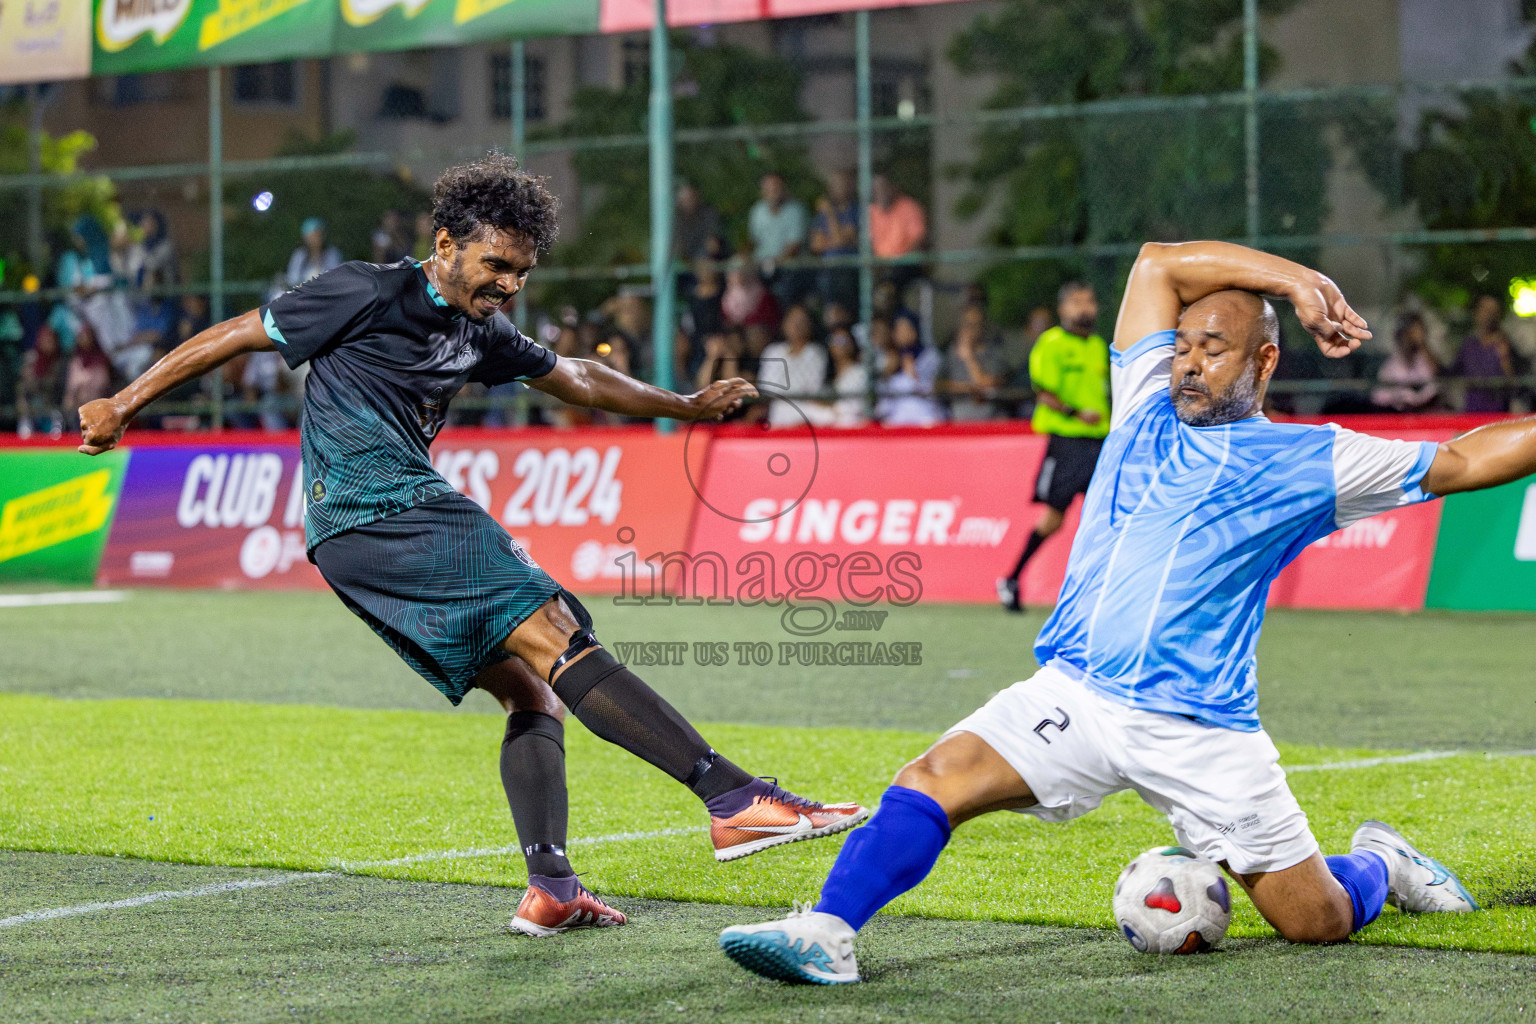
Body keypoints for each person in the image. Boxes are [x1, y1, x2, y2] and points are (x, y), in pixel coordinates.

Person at [77, 155, 867, 938]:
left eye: (522, 271)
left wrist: (686, 408)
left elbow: (581, 379)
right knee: (553, 628)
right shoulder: (367, 290)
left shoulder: (482, 329)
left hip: (355, 539)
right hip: (380, 508)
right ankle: (733, 799)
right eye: (496, 265)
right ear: (446, 241)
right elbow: (234, 334)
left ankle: (552, 888)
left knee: (532, 689)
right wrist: (124, 400)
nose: (509, 285)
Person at [720, 239, 1522, 984]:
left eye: (1215, 349)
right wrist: (1296, 279)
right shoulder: (1142, 402)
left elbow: (1458, 459)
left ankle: (1382, 862)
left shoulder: (1313, 461)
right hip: (1076, 693)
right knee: (935, 778)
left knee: (1315, 921)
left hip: (1202, 730)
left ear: (1266, 359)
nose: (1189, 363)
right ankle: (828, 930)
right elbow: (1155, 265)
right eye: (1184, 345)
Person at [996, 281, 1109, 613]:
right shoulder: (1052, 343)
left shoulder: (1099, 346)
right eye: (1076, 302)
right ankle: (1012, 578)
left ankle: (1097, 593)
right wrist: (1076, 413)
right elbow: (1043, 391)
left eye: (1089, 301)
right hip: (1067, 441)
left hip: (1100, 442)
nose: (1084, 308)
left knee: (1103, 517)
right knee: (1054, 519)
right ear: (1063, 309)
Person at [757, 305, 828, 429]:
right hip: (777, 412)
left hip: (806, 410)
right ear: (784, 324)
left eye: (801, 321)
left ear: (810, 326)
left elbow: (812, 388)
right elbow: (767, 387)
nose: (796, 326)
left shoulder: (816, 353)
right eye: (792, 321)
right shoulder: (773, 351)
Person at [748, 172, 808, 304]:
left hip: (787, 266)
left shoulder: (796, 210)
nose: (773, 192)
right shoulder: (757, 211)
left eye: (777, 188)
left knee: (786, 284)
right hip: (761, 265)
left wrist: (775, 262)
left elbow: (794, 246)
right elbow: (753, 241)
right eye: (769, 188)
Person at [1452, 295, 1515, 413]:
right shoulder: (1468, 344)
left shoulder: (1506, 343)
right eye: (1485, 310)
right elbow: (1451, 374)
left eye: (1493, 311)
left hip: (1498, 414)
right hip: (1471, 413)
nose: (1489, 315)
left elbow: (1517, 382)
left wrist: (1504, 358)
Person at [942, 303, 1004, 421]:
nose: (971, 329)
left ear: (983, 326)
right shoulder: (952, 353)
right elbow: (938, 385)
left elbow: (984, 384)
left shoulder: (994, 353)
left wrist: (969, 357)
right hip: (959, 422)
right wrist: (965, 388)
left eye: (975, 325)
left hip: (990, 422)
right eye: (967, 325)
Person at [810, 170, 860, 311]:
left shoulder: (856, 210)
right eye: (835, 185)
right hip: (828, 268)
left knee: (833, 282)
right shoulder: (821, 215)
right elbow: (816, 245)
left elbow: (839, 240)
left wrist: (830, 214)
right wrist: (837, 240)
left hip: (850, 267)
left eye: (842, 184)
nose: (839, 188)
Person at [868, 175, 926, 294]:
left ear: (893, 187)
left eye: (884, 188)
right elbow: (868, 242)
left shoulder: (909, 207)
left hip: (904, 264)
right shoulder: (872, 212)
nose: (881, 193)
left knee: (891, 281)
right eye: (877, 190)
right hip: (880, 265)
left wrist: (897, 260)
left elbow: (918, 239)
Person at [1372, 313, 1440, 413]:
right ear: (1401, 336)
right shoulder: (1390, 366)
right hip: (1397, 416)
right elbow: (1379, 399)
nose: (1413, 337)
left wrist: (1420, 344)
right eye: (1409, 334)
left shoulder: (1424, 359)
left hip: (1425, 414)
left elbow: (1438, 377)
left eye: (1417, 333)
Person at [17, 325, 65, 439]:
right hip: (31, 408)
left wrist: (38, 382)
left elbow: (54, 386)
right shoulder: (31, 359)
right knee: (25, 428)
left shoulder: (59, 362)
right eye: (44, 340)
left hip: (52, 407)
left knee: (55, 431)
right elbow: (23, 387)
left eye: (50, 340)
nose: (47, 343)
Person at [63, 325, 114, 428]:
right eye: (82, 337)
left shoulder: (101, 361)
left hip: (98, 407)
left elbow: (102, 384)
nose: (84, 340)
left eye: (87, 337)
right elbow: (71, 388)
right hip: (77, 407)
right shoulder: (75, 362)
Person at [286, 217, 344, 288]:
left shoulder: (332, 253)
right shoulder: (299, 255)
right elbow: (292, 279)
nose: (315, 239)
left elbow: (337, 277)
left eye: (318, 235)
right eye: (312, 236)